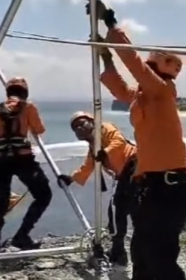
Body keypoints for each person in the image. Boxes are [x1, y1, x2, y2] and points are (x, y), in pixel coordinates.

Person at [89, 0, 186, 280]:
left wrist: (109, 21)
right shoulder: (143, 96)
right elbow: (122, 89)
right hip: (153, 186)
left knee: (160, 258)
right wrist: (106, 57)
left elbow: (134, 65)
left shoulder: (162, 90)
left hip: (171, 187)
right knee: (141, 253)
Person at [0, 77, 51, 252]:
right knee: (43, 195)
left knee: (1, 199)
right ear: (24, 92)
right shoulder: (28, 107)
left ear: (8, 93)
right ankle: (21, 236)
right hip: (22, 160)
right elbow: (39, 130)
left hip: (0, 160)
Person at [57, 111, 137, 266]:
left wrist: (104, 152)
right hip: (125, 175)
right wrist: (71, 179)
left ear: (92, 122)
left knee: (119, 211)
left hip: (135, 167)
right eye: (75, 128)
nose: (79, 128)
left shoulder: (105, 128)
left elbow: (118, 141)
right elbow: (87, 166)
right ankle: (119, 251)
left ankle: (123, 252)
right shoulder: (94, 147)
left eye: (82, 123)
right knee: (117, 212)